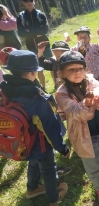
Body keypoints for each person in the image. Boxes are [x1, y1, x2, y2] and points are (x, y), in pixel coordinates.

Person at [0, 50, 69, 206]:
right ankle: (54, 198)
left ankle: (32, 189)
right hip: (41, 145)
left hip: (23, 143)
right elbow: (51, 129)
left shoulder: (5, 90)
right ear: (32, 73)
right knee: (49, 170)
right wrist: (62, 148)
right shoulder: (38, 99)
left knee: (33, 162)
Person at [55, 51, 99, 204]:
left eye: (80, 68)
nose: (77, 72)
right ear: (62, 73)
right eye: (71, 69)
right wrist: (88, 102)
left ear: (85, 70)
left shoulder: (90, 80)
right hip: (83, 137)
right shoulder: (62, 94)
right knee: (91, 165)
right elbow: (78, 113)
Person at [17, 0, 52, 89]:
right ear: (23, 2)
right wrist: (36, 32)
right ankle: (44, 88)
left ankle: (57, 85)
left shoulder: (41, 15)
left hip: (45, 44)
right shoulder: (20, 17)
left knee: (52, 65)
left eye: (31, 0)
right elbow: (21, 33)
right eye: (26, 0)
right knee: (39, 68)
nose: (29, 2)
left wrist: (29, 32)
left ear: (34, 1)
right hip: (31, 47)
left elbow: (45, 30)